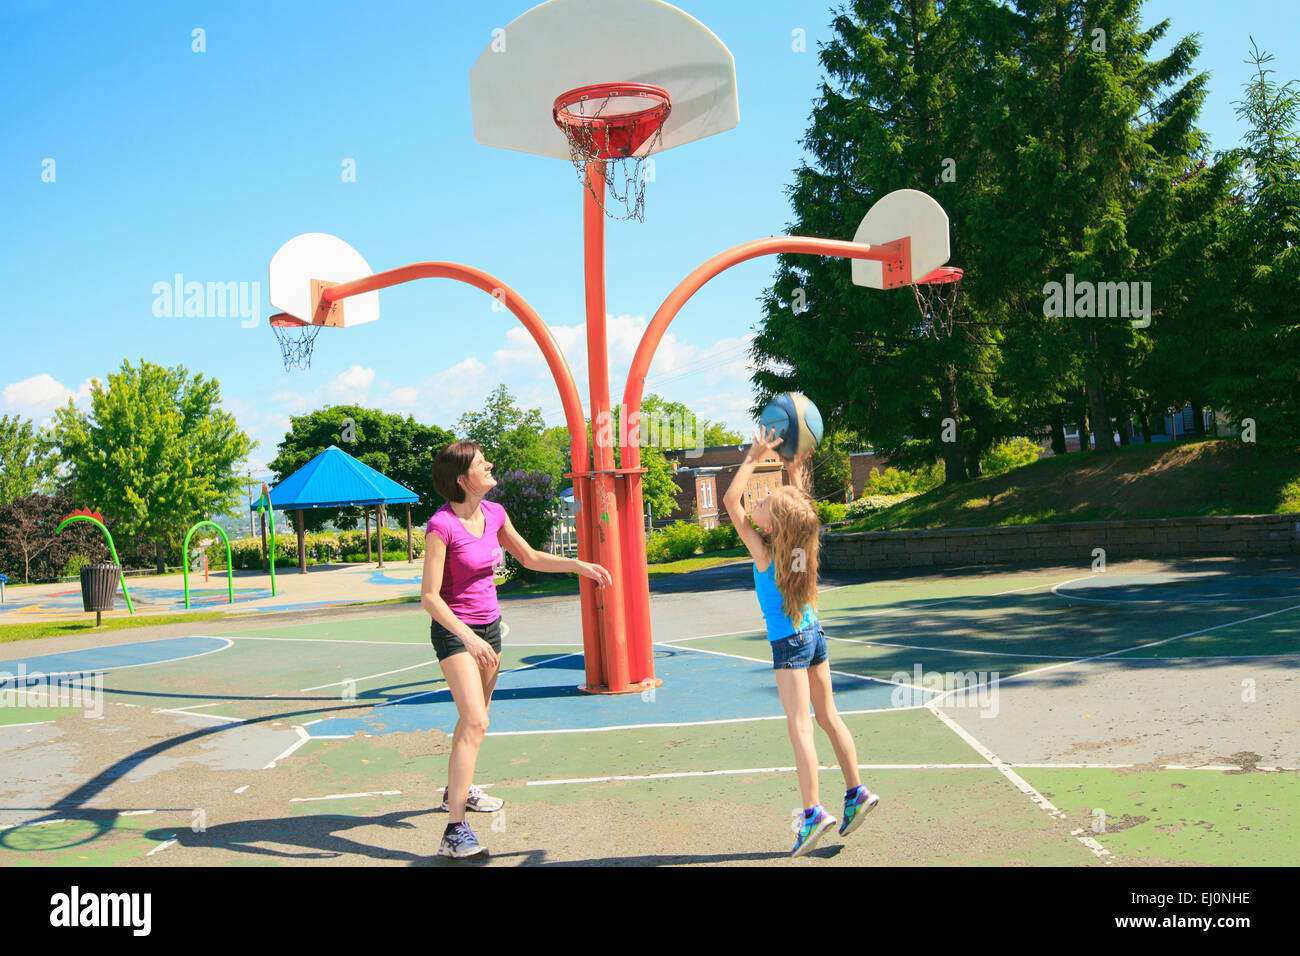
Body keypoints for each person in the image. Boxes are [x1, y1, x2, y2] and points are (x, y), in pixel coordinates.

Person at [422, 440, 612, 858]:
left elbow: (528, 557)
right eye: (480, 463)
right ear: (461, 479)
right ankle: (454, 831)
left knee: (475, 719)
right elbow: (430, 598)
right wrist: (468, 638)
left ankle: (458, 789)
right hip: (455, 632)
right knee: (476, 721)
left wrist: (577, 565)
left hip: (490, 629)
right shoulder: (442, 526)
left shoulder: (494, 514)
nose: (490, 465)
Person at [722, 427, 880, 857]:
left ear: (771, 524)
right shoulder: (802, 544)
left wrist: (754, 457)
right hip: (814, 635)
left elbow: (729, 503)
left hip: (789, 645)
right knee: (828, 716)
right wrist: (794, 467)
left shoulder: (765, 553)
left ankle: (812, 812)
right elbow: (801, 508)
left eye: (764, 502)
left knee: (800, 726)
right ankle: (856, 792)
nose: (756, 502)